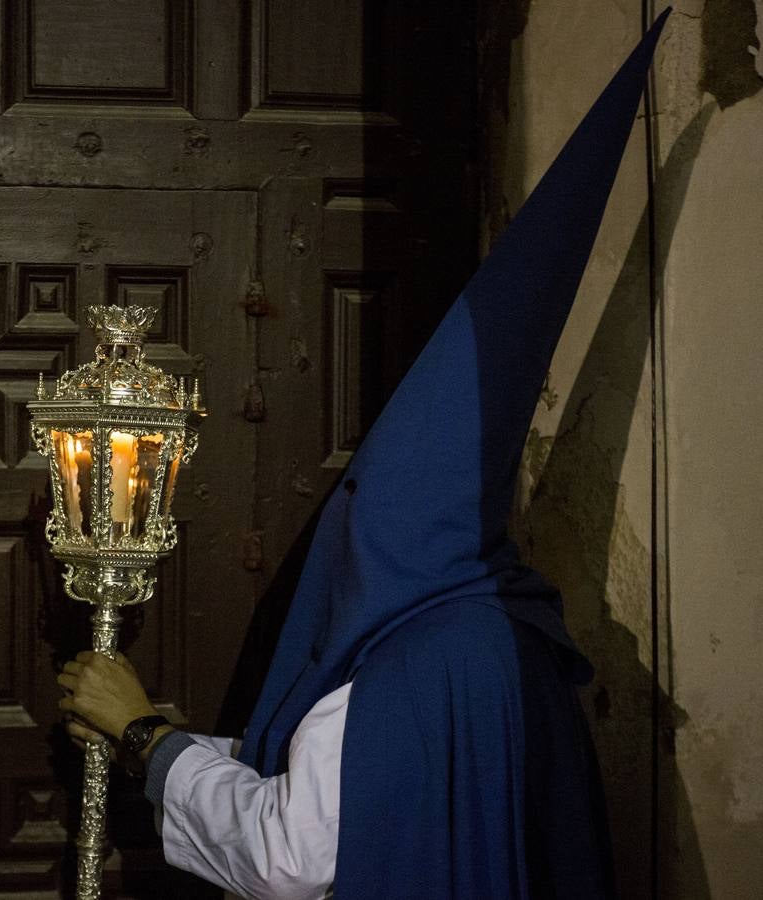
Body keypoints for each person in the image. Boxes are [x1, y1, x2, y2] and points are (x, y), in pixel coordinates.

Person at [57, 10, 672, 899]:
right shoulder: (506, 636)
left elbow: (292, 852)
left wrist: (147, 739)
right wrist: (153, 735)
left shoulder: (409, 665)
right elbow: (355, 789)